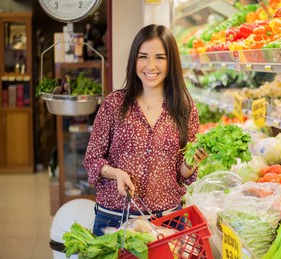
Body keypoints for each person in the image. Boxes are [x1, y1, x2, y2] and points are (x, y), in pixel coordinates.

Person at [83, 24, 207, 236]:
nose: (151, 66)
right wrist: (115, 173)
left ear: (171, 62)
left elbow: (182, 173)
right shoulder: (114, 103)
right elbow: (92, 159)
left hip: (167, 221)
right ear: (134, 60)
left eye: (160, 57)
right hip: (114, 217)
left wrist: (192, 160)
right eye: (143, 57)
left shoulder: (185, 108)